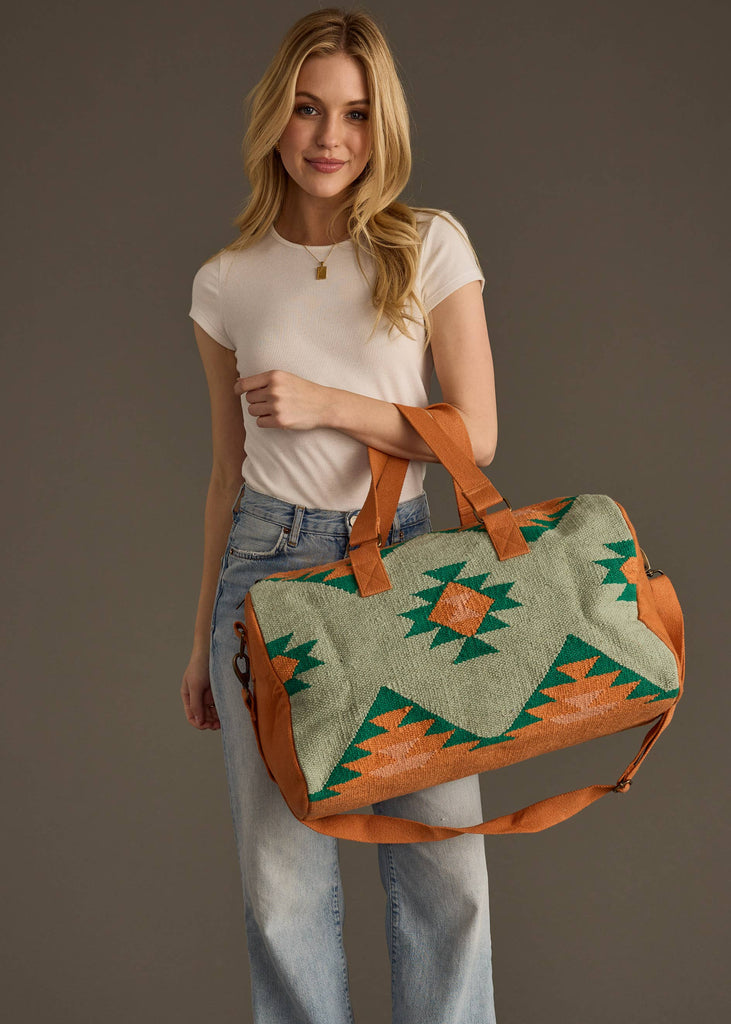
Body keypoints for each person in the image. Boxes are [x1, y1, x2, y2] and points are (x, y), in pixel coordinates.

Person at [180, 8, 498, 1023]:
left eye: (355, 114)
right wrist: (198, 643)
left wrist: (331, 406)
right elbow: (225, 475)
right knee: (282, 895)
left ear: (381, 124)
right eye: (308, 109)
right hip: (263, 581)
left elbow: (474, 435)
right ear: (276, 117)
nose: (330, 136)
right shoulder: (224, 284)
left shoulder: (428, 246)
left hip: (405, 569)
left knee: (445, 879)